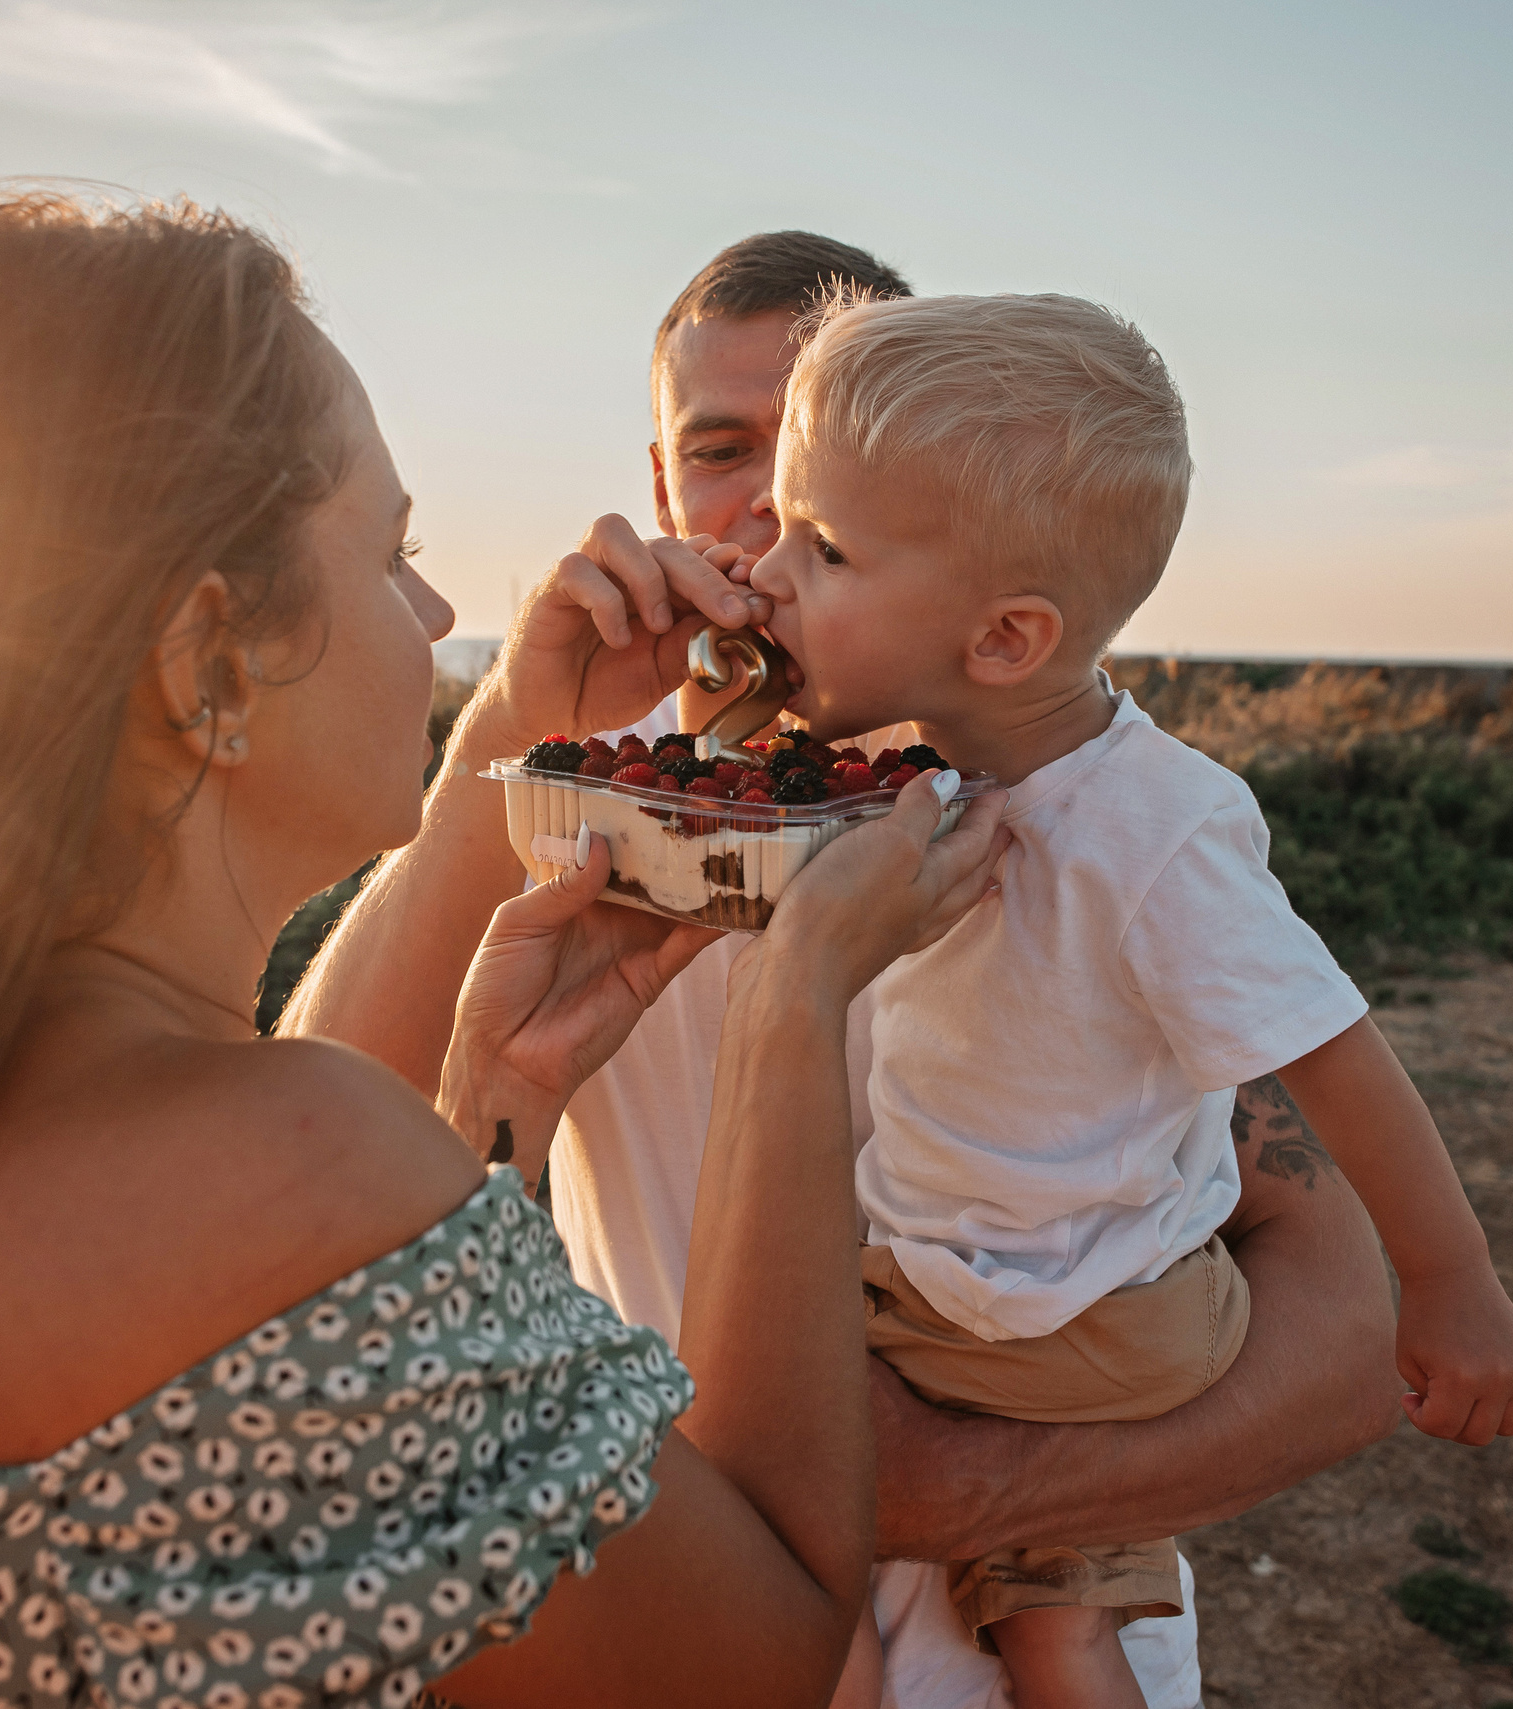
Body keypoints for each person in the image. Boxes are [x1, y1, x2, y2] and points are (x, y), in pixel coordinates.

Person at [0, 192, 1010, 1709]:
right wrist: (798, 991)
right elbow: (761, 1655)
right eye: (393, 551)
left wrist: (493, 1113)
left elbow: (311, 1389)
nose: (440, 612)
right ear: (206, 657)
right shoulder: (279, 1167)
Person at [293, 234, 1411, 1709]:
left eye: (826, 458)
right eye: (723, 450)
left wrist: (963, 1487)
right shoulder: (595, 808)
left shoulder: (1061, 814)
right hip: (698, 1643)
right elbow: (299, 1171)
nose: (772, 504)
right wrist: (511, 727)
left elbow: (1353, 1333)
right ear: (661, 478)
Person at [749, 290, 1513, 1707]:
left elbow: (1334, 1051)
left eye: (822, 547)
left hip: (1066, 1316)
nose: (767, 571)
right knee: (1000, 1606)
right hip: (989, 1286)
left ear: (1005, 637)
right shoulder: (944, 761)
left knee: (775, 1475)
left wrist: (1450, 1278)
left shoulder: (1156, 828)